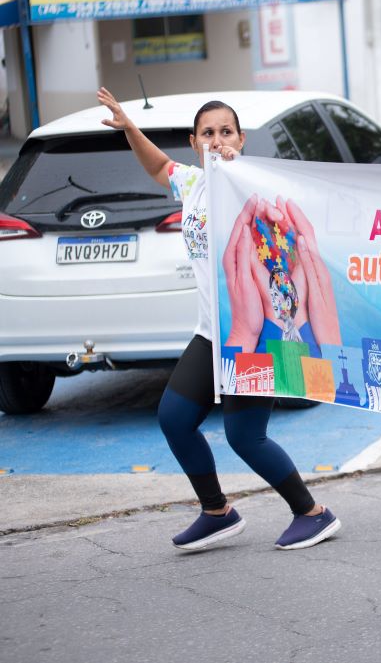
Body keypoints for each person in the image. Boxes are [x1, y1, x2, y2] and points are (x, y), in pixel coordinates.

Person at [96, 87, 341, 552]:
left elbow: (296, 243)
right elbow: (155, 165)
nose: (216, 139)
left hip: (260, 338)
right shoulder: (192, 183)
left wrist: (239, 170)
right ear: (193, 142)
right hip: (212, 332)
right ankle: (217, 512)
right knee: (174, 418)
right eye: (207, 133)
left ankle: (313, 513)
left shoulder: (259, 187)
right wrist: (130, 127)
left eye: (225, 131)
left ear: (241, 138)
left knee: (245, 436)